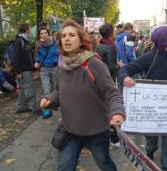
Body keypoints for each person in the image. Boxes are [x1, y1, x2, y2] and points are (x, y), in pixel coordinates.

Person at [39, 19, 125, 171]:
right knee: (65, 167)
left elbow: (112, 93)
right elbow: (58, 91)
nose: (66, 38)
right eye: (64, 36)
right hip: (70, 131)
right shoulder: (61, 67)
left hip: (96, 132)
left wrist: (117, 112)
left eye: (72, 35)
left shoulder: (94, 64)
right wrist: (49, 100)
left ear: (81, 40)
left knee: (105, 164)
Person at [118, 26, 167, 171]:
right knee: (152, 141)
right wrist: (125, 78)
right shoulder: (149, 57)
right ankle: (150, 152)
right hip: (151, 111)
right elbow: (125, 69)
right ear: (164, 40)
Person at [13, 23, 40, 114]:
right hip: (24, 70)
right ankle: (34, 107)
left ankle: (21, 107)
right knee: (29, 88)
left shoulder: (24, 40)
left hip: (25, 69)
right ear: (26, 29)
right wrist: (18, 71)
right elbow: (16, 57)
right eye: (29, 28)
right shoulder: (20, 41)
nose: (30, 30)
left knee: (23, 89)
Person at [34, 27, 59, 118]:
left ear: (48, 34)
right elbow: (37, 56)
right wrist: (37, 62)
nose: (44, 35)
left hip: (55, 68)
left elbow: (59, 54)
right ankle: (48, 111)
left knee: (54, 89)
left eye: (45, 33)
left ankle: (54, 104)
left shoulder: (55, 43)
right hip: (44, 69)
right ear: (39, 35)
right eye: (41, 33)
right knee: (47, 90)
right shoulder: (38, 44)